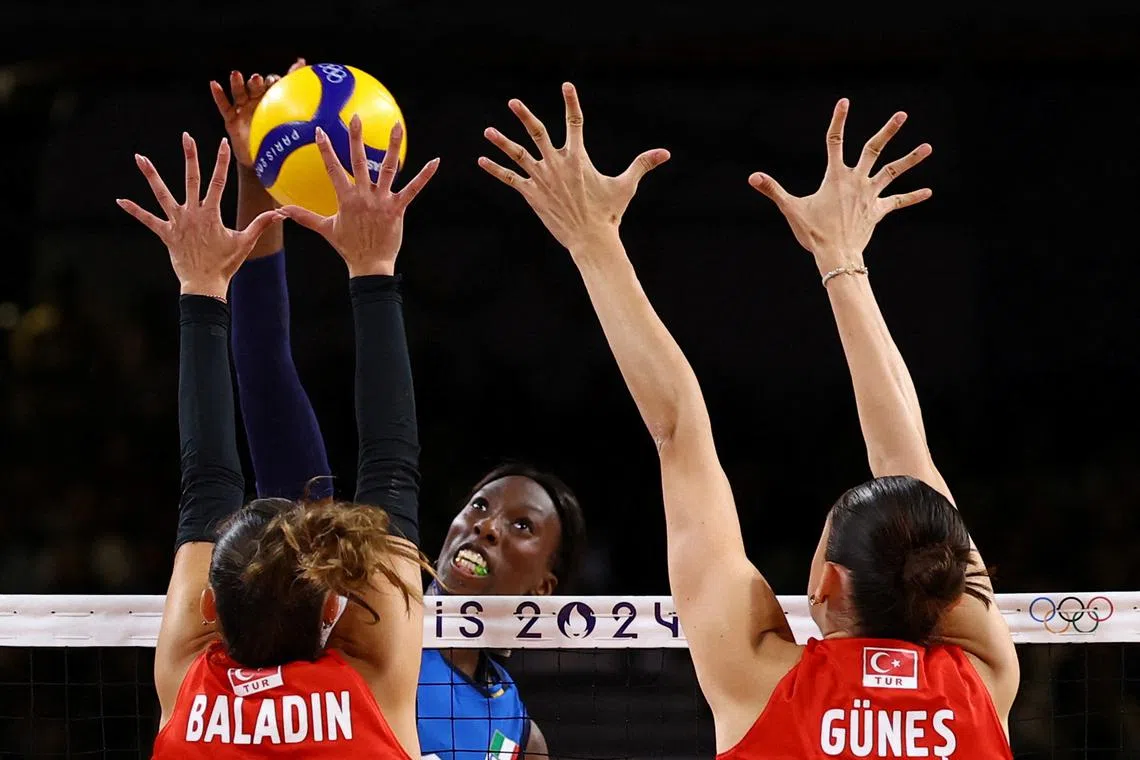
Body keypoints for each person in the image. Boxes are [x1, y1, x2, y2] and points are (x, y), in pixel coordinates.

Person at [479, 86, 1019, 758]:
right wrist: (842, 262)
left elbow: (681, 426)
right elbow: (911, 472)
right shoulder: (982, 684)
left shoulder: (762, 681)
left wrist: (592, 240)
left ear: (828, 583)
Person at [211, 63, 586, 759]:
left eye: (521, 525)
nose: (485, 528)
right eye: (478, 506)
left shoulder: (520, 734)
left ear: (546, 586)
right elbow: (263, 375)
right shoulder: (358, 611)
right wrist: (262, 175)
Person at [117, 109, 440, 756]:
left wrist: (372, 266)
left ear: (213, 611)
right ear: (334, 610)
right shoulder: (366, 682)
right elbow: (209, 478)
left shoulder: (190, 697)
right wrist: (201, 287)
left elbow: (390, 466)